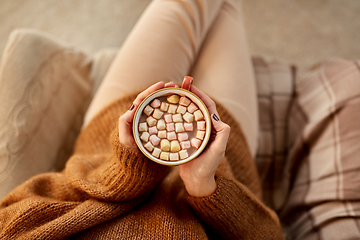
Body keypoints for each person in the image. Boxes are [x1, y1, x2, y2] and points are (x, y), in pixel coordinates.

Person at [0, 0, 284, 239]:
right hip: (223, 154)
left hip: (118, 131)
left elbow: (13, 214)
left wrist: (128, 170)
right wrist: (204, 186)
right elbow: (268, 233)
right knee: (226, 9)